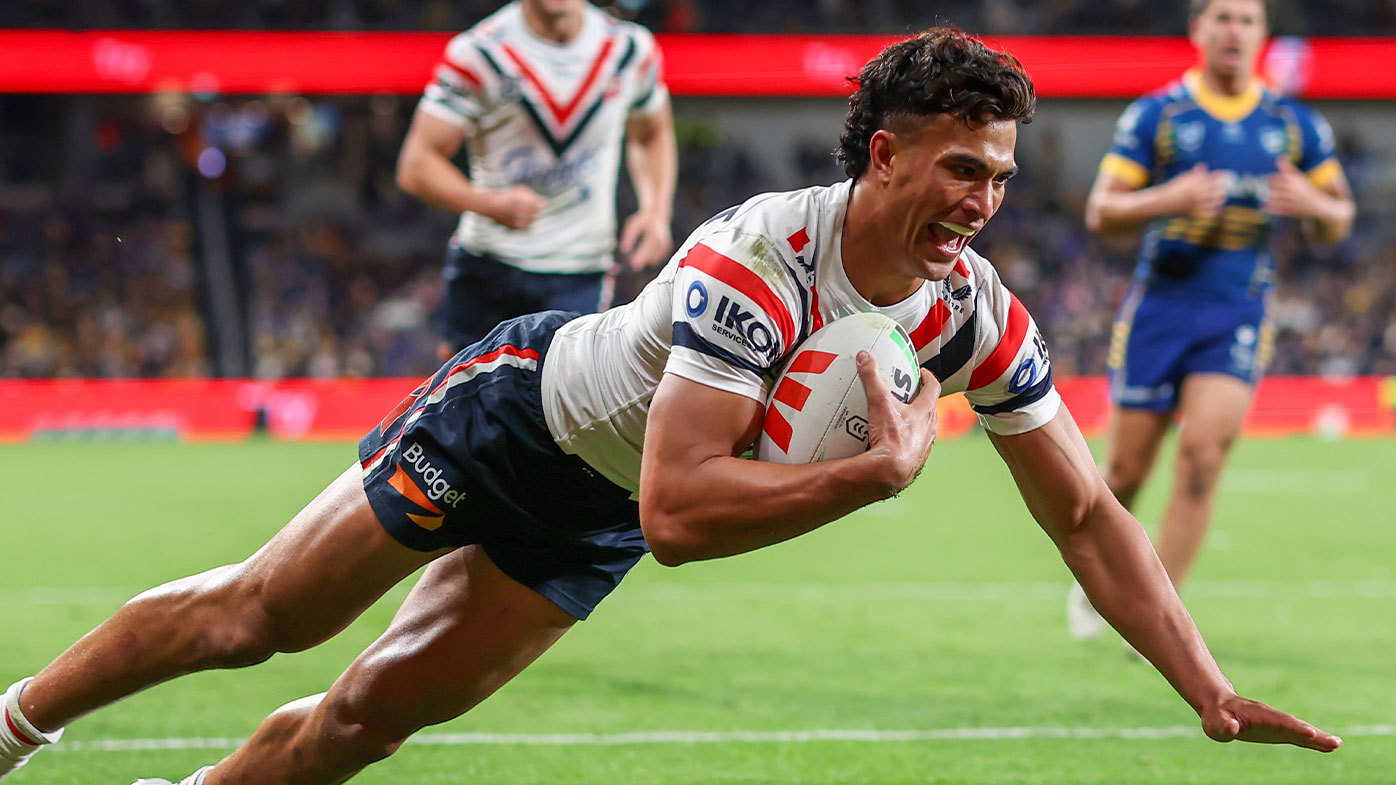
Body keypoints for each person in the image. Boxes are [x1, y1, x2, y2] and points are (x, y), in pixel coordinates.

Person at [1, 29, 1339, 785]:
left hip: (594, 518)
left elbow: (1090, 511)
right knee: (259, 620)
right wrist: (872, 476)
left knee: (371, 717)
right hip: (516, 417)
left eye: (998, 175)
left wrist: (1207, 691)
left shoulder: (971, 309)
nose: (986, 200)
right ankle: (16, 724)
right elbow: (685, 513)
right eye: (961, 168)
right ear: (884, 156)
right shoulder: (762, 252)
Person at [1068, 0, 1356, 644]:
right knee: (1126, 473)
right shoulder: (1159, 115)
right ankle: (1095, 583)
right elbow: (1102, 210)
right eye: (1221, 16)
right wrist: (1168, 198)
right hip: (1160, 309)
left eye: (1246, 19)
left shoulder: (1293, 125)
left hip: (1238, 311)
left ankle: (1152, 619)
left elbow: (1338, 220)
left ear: (1262, 36)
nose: (1234, 29)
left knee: (1201, 460)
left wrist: (1314, 204)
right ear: (1198, 30)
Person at [396, 0, 677, 359]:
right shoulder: (480, 53)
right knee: (459, 409)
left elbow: (651, 132)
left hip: (581, 268)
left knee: (566, 409)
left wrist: (655, 210)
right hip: (489, 263)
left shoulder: (629, 51)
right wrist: (488, 204)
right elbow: (417, 164)